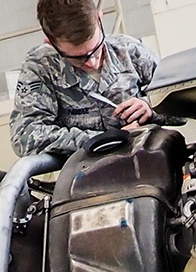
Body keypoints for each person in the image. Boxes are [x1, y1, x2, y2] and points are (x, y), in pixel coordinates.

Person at [10, 0, 158, 156]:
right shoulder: (41, 68)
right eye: (78, 58)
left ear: (100, 20)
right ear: (51, 43)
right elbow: (25, 136)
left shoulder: (130, 51)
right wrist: (101, 140)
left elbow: (179, 101)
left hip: (149, 164)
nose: (92, 62)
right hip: (85, 174)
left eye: (96, 48)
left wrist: (151, 107)